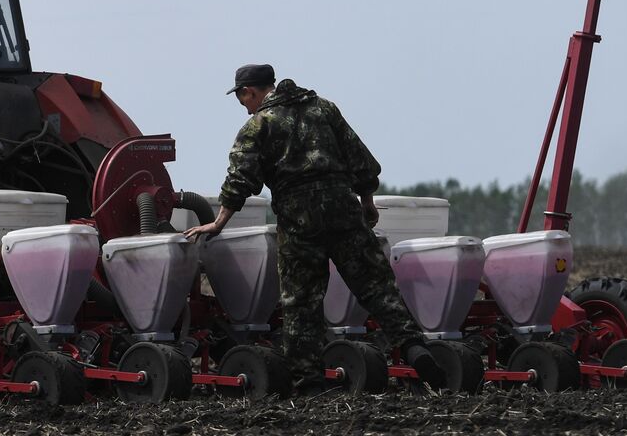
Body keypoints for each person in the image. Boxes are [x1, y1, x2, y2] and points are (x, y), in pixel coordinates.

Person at [184, 63, 445, 393]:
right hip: (343, 207)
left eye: (242, 100)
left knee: (301, 302)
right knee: (377, 286)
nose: (245, 107)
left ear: (248, 92)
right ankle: (413, 347)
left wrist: (219, 221)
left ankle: (309, 383)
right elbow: (360, 159)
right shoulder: (324, 108)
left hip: (298, 217)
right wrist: (366, 201)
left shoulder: (258, 125)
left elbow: (240, 178)